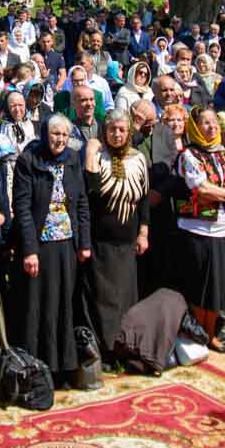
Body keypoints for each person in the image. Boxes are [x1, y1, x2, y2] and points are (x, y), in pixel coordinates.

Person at [12, 114, 92, 383]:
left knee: (64, 305)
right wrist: (29, 249)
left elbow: (80, 202)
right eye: (54, 133)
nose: (59, 139)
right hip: (40, 243)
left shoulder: (71, 159)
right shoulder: (29, 160)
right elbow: (21, 207)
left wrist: (84, 243)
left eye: (64, 135)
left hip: (66, 243)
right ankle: (37, 368)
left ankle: (64, 366)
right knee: (38, 305)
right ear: (45, 133)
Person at [173, 106, 225, 343]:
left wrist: (220, 194)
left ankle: (212, 332)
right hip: (198, 229)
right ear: (195, 126)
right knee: (200, 285)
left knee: (218, 287)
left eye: (214, 122)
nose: (212, 126)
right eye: (205, 122)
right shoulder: (188, 155)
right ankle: (199, 333)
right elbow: (200, 189)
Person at [81, 110, 150, 359]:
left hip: (127, 244)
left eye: (122, 129)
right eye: (112, 129)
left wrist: (143, 233)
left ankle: (125, 347)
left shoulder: (139, 159)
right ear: (105, 132)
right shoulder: (98, 157)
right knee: (102, 300)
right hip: (101, 243)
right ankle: (104, 351)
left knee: (126, 298)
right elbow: (90, 192)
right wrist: (90, 151)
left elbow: (143, 200)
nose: (117, 134)